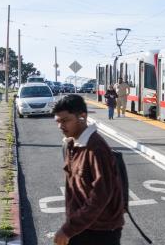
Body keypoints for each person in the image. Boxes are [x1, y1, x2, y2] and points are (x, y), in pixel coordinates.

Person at [52, 95, 125, 245]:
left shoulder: (96, 148)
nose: (60, 126)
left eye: (65, 120)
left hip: (99, 233)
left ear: (82, 117)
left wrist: (68, 229)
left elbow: (101, 195)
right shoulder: (73, 144)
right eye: (58, 121)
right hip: (83, 227)